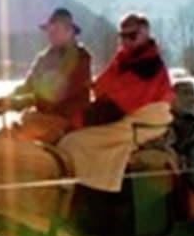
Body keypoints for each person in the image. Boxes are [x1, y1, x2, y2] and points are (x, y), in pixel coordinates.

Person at [56, 12, 175, 193]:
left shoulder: (148, 66)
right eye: (122, 36)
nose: (126, 41)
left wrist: (75, 120)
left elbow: (115, 107)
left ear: (145, 34)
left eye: (132, 36)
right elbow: (102, 85)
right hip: (123, 114)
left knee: (73, 143)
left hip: (140, 123)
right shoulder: (125, 58)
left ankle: (87, 194)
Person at [0, 7, 91, 143]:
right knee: (4, 134)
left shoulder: (81, 58)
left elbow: (53, 95)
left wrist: (12, 104)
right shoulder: (44, 58)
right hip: (41, 120)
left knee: (20, 131)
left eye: (56, 30)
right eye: (49, 30)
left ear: (70, 32)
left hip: (68, 124)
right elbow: (27, 87)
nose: (51, 34)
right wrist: (2, 102)